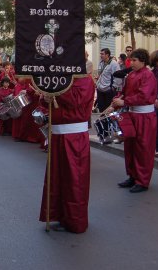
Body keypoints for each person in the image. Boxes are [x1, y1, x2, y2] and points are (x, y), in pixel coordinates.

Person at [39, 74, 95, 233]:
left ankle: (75, 220)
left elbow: (74, 101)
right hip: (58, 134)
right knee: (57, 178)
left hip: (74, 136)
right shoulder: (59, 77)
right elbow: (47, 101)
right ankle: (60, 215)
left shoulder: (85, 79)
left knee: (74, 179)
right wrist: (46, 98)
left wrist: (54, 91)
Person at [110, 48, 157, 193]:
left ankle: (142, 181)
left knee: (143, 149)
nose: (131, 63)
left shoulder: (148, 75)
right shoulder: (131, 75)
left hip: (144, 117)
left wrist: (124, 102)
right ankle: (132, 175)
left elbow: (143, 96)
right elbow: (125, 93)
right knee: (130, 147)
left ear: (143, 60)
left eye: (134, 60)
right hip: (132, 114)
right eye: (131, 60)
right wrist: (117, 99)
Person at [95, 48, 122, 142]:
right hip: (100, 90)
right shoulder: (101, 63)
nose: (101, 55)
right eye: (100, 53)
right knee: (103, 112)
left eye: (102, 54)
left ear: (107, 55)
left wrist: (113, 87)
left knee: (111, 112)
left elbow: (118, 77)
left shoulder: (114, 64)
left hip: (108, 91)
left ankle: (116, 133)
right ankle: (105, 133)